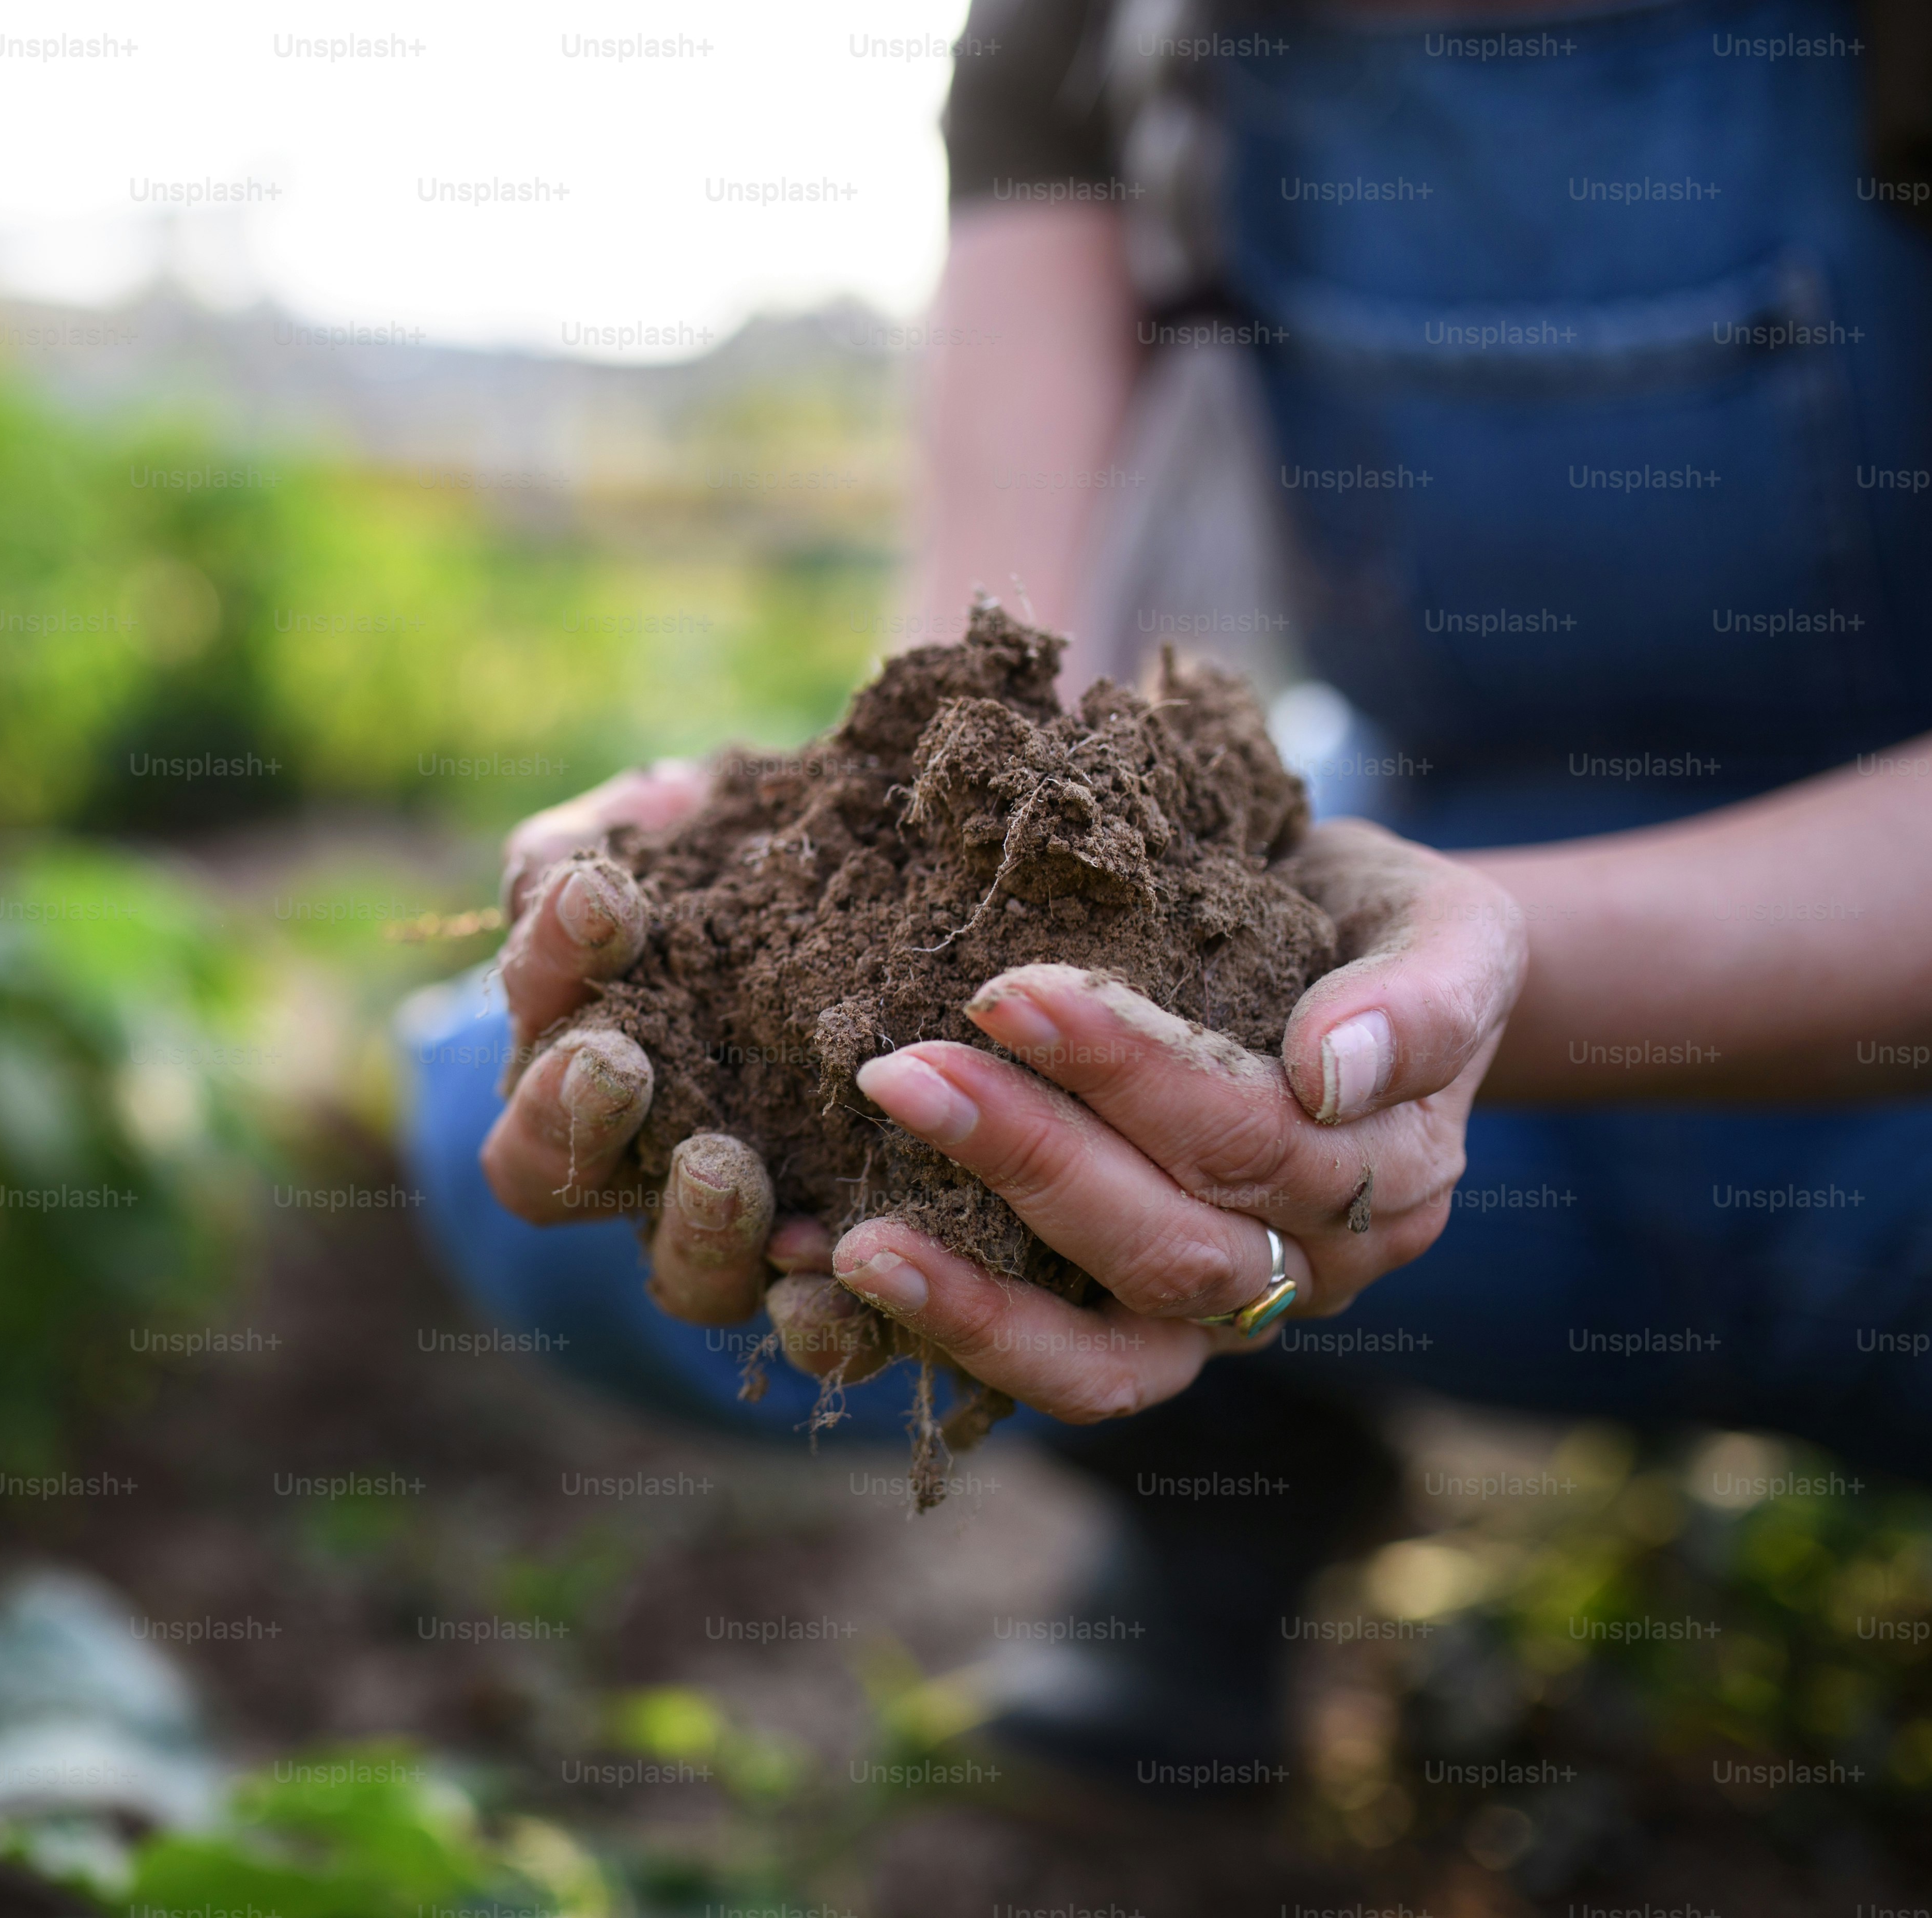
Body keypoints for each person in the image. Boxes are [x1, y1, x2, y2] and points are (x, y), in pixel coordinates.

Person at [397, 0, 1932, 1779]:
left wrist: (1440, 993)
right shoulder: (1105, 33)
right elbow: (983, 700)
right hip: (1433, 975)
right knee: (534, 1118)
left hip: (1855, 1087)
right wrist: (801, 895)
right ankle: (1228, 1484)